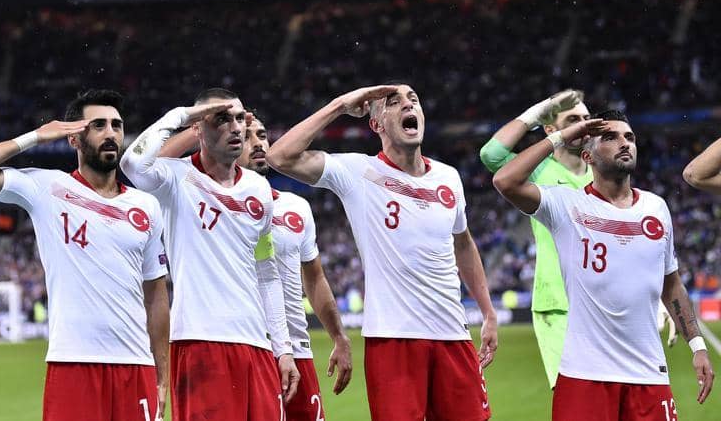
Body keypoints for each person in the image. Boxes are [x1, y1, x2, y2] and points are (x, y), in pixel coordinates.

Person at [267, 84, 497, 421]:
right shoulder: (357, 172)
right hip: (392, 338)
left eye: (414, 99)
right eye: (394, 101)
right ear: (376, 124)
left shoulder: (448, 177)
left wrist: (488, 312)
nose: (408, 104)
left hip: (453, 334)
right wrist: (340, 105)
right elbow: (279, 156)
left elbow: (463, 244)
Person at [0, 89, 170, 421]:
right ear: (74, 138)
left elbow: (156, 295)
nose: (110, 133)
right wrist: (35, 137)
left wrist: (162, 374)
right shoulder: (46, 188)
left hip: (136, 366)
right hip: (72, 364)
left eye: (116, 125)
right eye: (98, 125)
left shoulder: (146, 205)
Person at [492, 110, 714, 420]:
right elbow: (505, 180)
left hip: (649, 374)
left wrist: (698, 345)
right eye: (610, 137)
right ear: (587, 156)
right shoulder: (565, 205)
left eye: (629, 137)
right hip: (583, 376)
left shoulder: (656, 208)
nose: (624, 143)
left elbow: (671, 284)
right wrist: (563, 136)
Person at [120, 88, 300, 421]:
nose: (236, 127)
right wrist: (182, 115)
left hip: (257, 345)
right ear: (198, 128)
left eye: (239, 118)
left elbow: (266, 272)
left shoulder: (259, 189)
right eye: (222, 119)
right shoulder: (175, 178)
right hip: (200, 342)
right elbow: (132, 162)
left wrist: (283, 349)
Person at [159, 114, 354, 420]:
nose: (258, 143)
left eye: (262, 135)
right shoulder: (201, 198)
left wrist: (339, 336)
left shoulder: (296, 208)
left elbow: (315, 279)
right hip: (238, 344)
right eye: (247, 136)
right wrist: (198, 126)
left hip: (295, 350)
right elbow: (151, 164)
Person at [481, 89, 592, 388]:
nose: (583, 125)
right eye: (573, 120)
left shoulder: (603, 173)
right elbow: (491, 155)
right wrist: (537, 112)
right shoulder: (538, 170)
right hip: (557, 302)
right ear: (551, 128)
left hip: (601, 302)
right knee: (573, 396)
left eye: (586, 118)